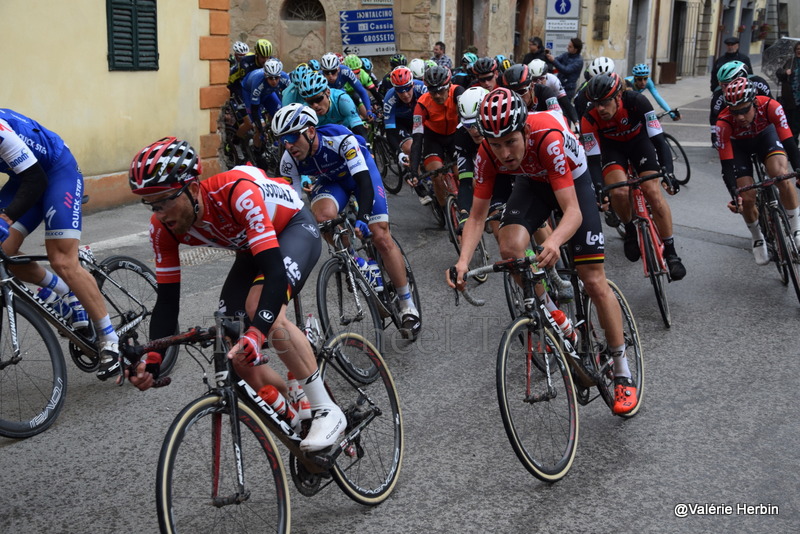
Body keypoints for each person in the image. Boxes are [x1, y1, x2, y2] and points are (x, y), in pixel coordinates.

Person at [126, 137, 347, 452]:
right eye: (152, 205)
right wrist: (154, 355)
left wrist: (259, 330)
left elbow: (273, 273)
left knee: (260, 310)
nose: (160, 214)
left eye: (165, 201)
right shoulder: (163, 229)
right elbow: (166, 300)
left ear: (192, 187)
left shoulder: (237, 192)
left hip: (293, 228)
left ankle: (326, 408)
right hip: (250, 247)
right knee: (232, 340)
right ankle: (297, 399)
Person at [447, 88, 639, 415]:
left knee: (592, 280)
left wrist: (553, 241)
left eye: (511, 141)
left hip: (571, 182)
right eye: (496, 145)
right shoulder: (486, 154)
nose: (504, 153)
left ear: (524, 130)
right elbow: (477, 217)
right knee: (509, 248)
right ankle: (556, 314)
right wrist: (463, 261)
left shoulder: (546, 137)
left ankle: (622, 371)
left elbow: (573, 211)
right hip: (533, 183)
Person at [271, 104, 422, 339]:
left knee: (380, 235)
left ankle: (406, 304)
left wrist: (363, 218)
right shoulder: (289, 161)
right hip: (332, 183)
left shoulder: (340, 138)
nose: (288, 145)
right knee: (321, 219)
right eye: (283, 140)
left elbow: (364, 182)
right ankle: (356, 261)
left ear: (310, 131)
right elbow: (292, 205)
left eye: (292, 136)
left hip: (361, 176)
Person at [0, 109, 120, 379]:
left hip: (55, 171)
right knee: (2, 253)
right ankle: (63, 293)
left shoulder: (1, 131)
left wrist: (6, 217)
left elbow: (36, 179)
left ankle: (109, 339)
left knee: (63, 259)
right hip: (22, 178)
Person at [580, 73, 686, 280]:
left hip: (640, 144)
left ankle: (671, 253)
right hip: (613, 150)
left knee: (652, 192)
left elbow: (658, 139)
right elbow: (593, 160)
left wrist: (668, 171)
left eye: (605, 102)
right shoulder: (589, 118)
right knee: (619, 191)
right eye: (595, 103)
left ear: (618, 96)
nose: (600, 108)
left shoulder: (638, 102)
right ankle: (629, 230)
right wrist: (599, 189)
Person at [714, 78, 800, 264]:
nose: (740, 117)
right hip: (739, 148)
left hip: (764, 138)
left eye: (744, 110)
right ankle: (757, 236)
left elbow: (789, 142)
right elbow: (727, 166)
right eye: (735, 112)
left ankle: (796, 230)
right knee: (746, 196)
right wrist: (734, 195)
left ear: (754, 102)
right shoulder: (724, 123)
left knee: (781, 176)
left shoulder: (771, 106)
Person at [407, 66, 466, 206]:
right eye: (433, 91)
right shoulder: (421, 105)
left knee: (463, 175)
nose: (437, 95)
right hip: (433, 139)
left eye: (441, 90)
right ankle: (446, 210)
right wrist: (414, 171)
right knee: (436, 175)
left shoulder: (458, 92)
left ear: (449, 85)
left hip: (454, 137)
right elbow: (417, 140)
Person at [709, 61, 772, 147]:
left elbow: (771, 106)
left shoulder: (759, 83)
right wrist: (715, 137)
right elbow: (714, 117)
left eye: (726, 85)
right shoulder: (718, 95)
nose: (723, 88)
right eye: (720, 84)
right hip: (737, 131)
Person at [297, 71, 369, 139]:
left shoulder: (342, 100)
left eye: (318, 99)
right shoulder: (305, 110)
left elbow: (357, 127)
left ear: (328, 92)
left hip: (348, 131)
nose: (315, 105)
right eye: (310, 102)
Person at [383, 66, 427, 164]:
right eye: (400, 90)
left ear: (412, 84)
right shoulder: (389, 99)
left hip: (419, 117)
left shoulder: (422, 88)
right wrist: (399, 153)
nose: (405, 94)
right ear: (394, 89)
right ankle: (418, 177)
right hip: (401, 122)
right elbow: (390, 133)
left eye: (407, 88)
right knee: (410, 148)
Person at [320, 52, 374, 122]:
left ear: (338, 69)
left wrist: (369, 111)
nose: (330, 76)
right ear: (323, 72)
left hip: (342, 93)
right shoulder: (319, 77)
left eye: (333, 72)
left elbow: (361, 91)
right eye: (327, 72)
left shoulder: (345, 71)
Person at [528, 59, 579, 125]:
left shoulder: (553, 80)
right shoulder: (526, 82)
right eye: (534, 79)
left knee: (565, 118)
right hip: (534, 107)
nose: (538, 82)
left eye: (541, 78)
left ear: (546, 75)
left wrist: (576, 122)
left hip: (549, 105)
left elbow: (566, 103)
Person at [776, 40, 800, 141]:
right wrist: (785, 72)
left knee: (796, 125)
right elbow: (779, 74)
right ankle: (792, 147)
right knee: (790, 125)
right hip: (791, 100)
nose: (799, 51)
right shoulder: (790, 62)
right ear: (795, 51)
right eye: (798, 49)